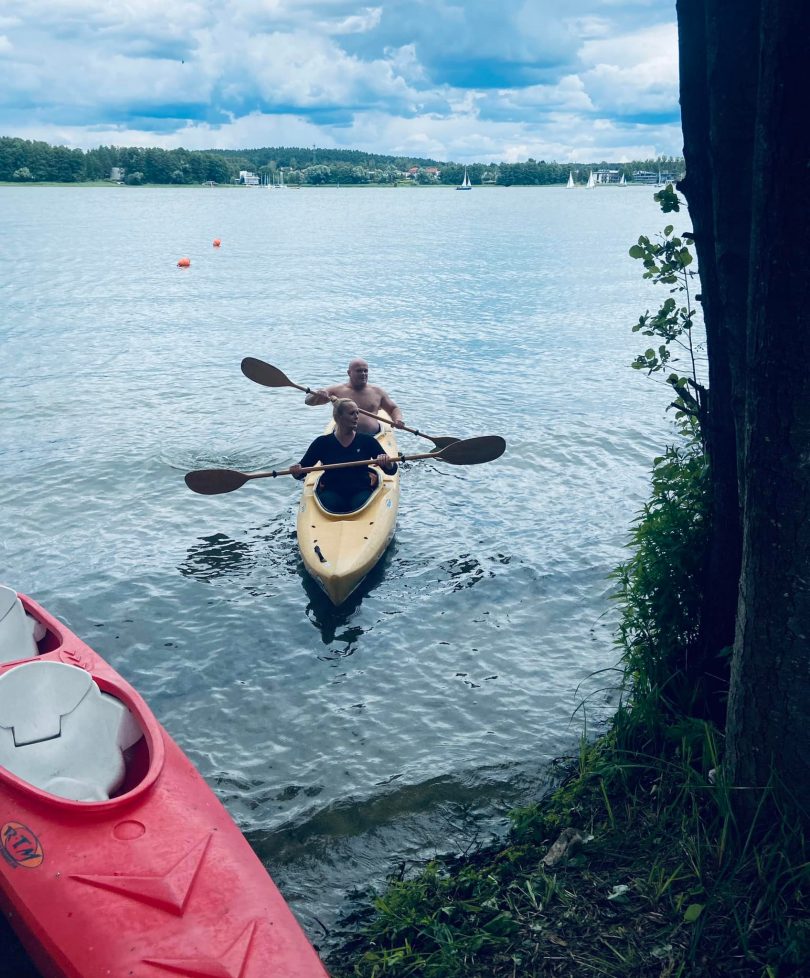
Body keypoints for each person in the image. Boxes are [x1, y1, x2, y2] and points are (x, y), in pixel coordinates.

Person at [290, 399, 398, 513]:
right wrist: (296, 471)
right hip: (332, 492)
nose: (357, 417)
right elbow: (302, 470)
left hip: (360, 492)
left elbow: (392, 470)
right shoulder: (322, 443)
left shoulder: (367, 441)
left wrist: (388, 463)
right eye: (352, 413)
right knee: (329, 502)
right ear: (339, 417)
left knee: (361, 502)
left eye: (357, 413)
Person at [304, 358, 405, 435]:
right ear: (349, 373)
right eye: (359, 371)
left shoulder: (377, 392)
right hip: (342, 436)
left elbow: (393, 409)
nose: (363, 374)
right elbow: (308, 401)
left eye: (365, 371)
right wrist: (317, 395)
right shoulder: (336, 390)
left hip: (372, 437)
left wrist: (398, 419)